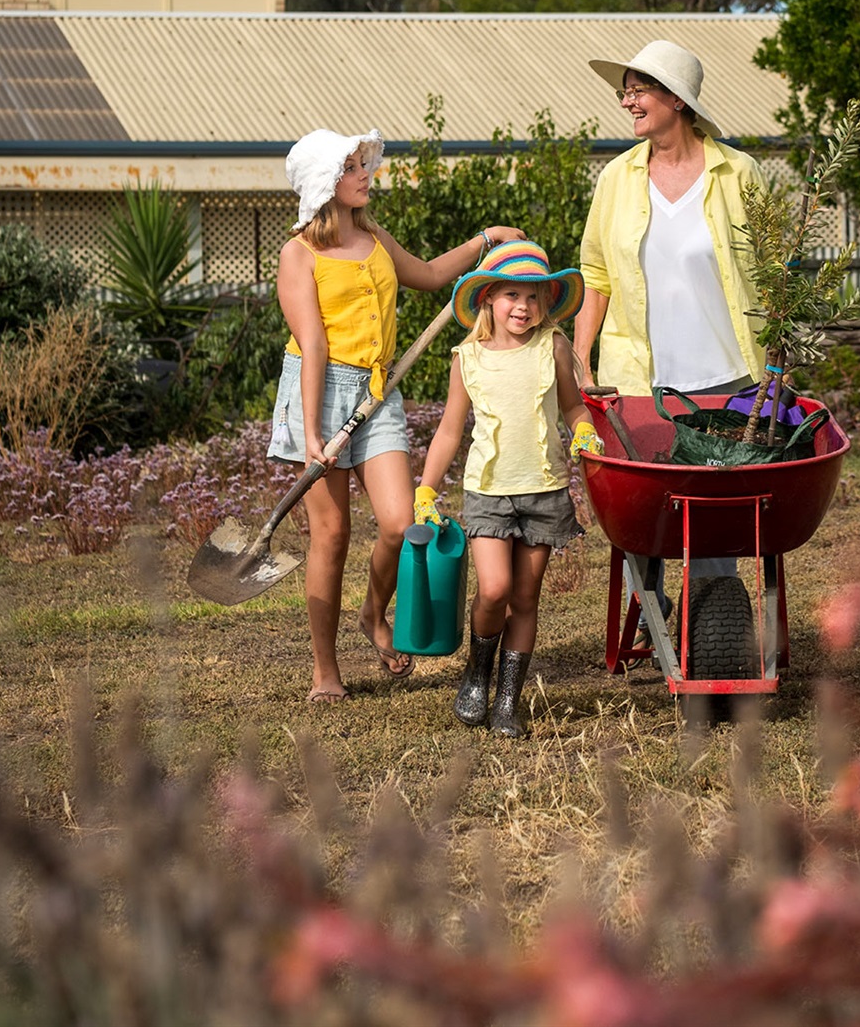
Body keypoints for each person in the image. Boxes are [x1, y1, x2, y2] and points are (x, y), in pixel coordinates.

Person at [267, 127, 524, 704]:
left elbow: (432, 275)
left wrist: (486, 240)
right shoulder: (299, 254)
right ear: (326, 183)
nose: (366, 174)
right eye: (354, 167)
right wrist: (312, 434)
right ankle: (324, 670)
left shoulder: (374, 236)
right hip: (321, 389)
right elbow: (312, 343)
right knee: (330, 536)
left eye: (364, 164)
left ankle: (373, 614)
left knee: (397, 523)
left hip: (378, 390)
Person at [572, 39, 767, 632]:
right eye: (625, 89)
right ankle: (664, 625)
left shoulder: (739, 174)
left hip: (731, 380)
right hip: (643, 385)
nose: (628, 99)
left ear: (677, 99)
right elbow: (596, 276)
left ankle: (710, 628)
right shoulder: (617, 179)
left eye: (640, 88)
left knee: (714, 525)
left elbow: (774, 267)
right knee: (642, 524)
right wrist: (582, 361)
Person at [412, 241, 603, 737]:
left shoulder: (554, 347)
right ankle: (476, 673)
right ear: (488, 300)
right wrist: (426, 490)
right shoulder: (467, 358)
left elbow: (573, 406)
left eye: (534, 297)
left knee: (524, 597)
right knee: (493, 590)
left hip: (543, 489)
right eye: (512, 295)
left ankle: (507, 700)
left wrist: (583, 431)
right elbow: (450, 431)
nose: (523, 307)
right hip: (488, 491)